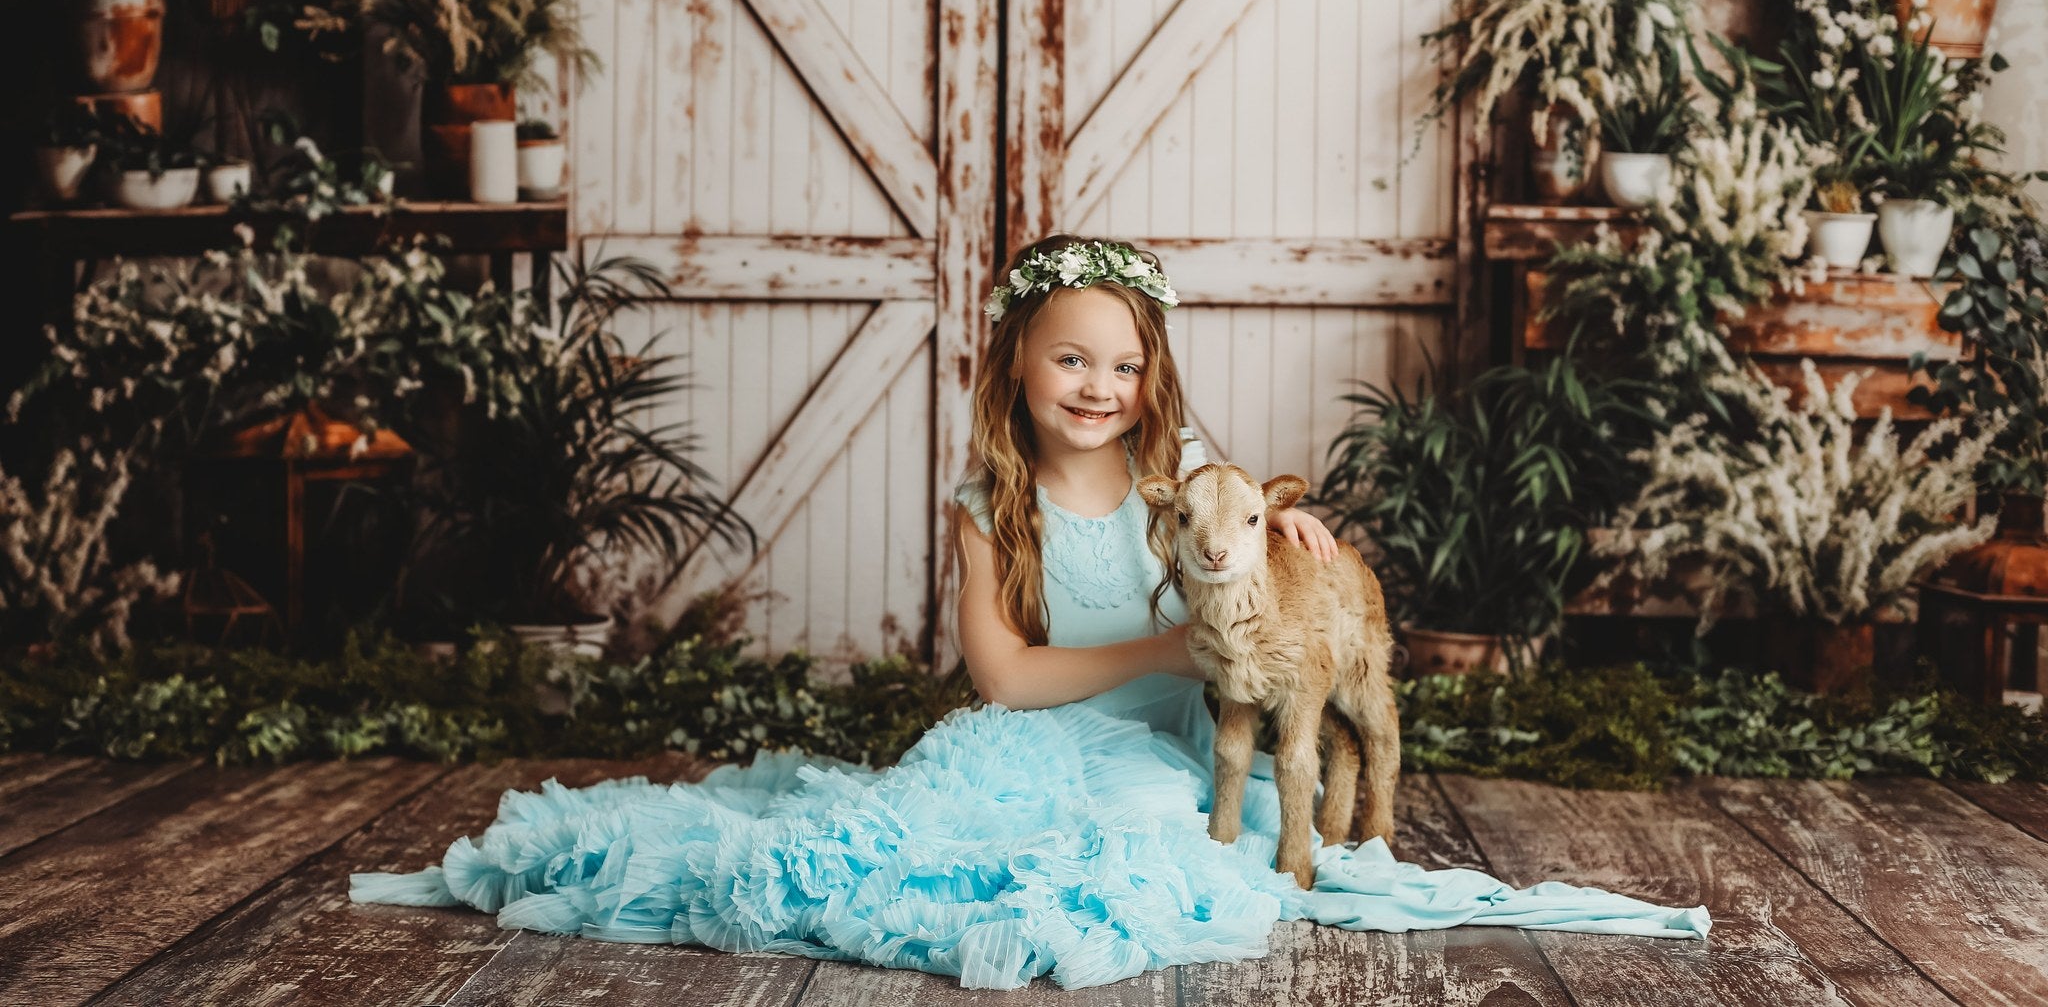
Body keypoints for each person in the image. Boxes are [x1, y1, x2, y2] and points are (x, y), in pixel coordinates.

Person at [352, 235, 1709, 989]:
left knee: (1192, 826)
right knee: (991, 843)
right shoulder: (989, 502)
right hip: (1055, 735)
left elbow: (1252, 540)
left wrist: (1300, 535)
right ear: (1015, 361)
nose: (1099, 385)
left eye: (1125, 364)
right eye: (1071, 357)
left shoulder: (1187, 478)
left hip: (1184, 738)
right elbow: (1003, 675)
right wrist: (1169, 645)